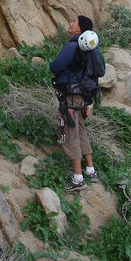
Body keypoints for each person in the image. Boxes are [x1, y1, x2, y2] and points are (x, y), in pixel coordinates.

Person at [50, 15, 98, 192]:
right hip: (82, 97)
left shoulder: (72, 46)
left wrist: (55, 67)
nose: (70, 23)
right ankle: (90, 170)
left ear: (79, 29)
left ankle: (78, 178)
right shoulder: (89, 49)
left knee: (71, 133)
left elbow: (55, 67)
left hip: (70, 96)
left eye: (74, 22)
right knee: (81, 130)